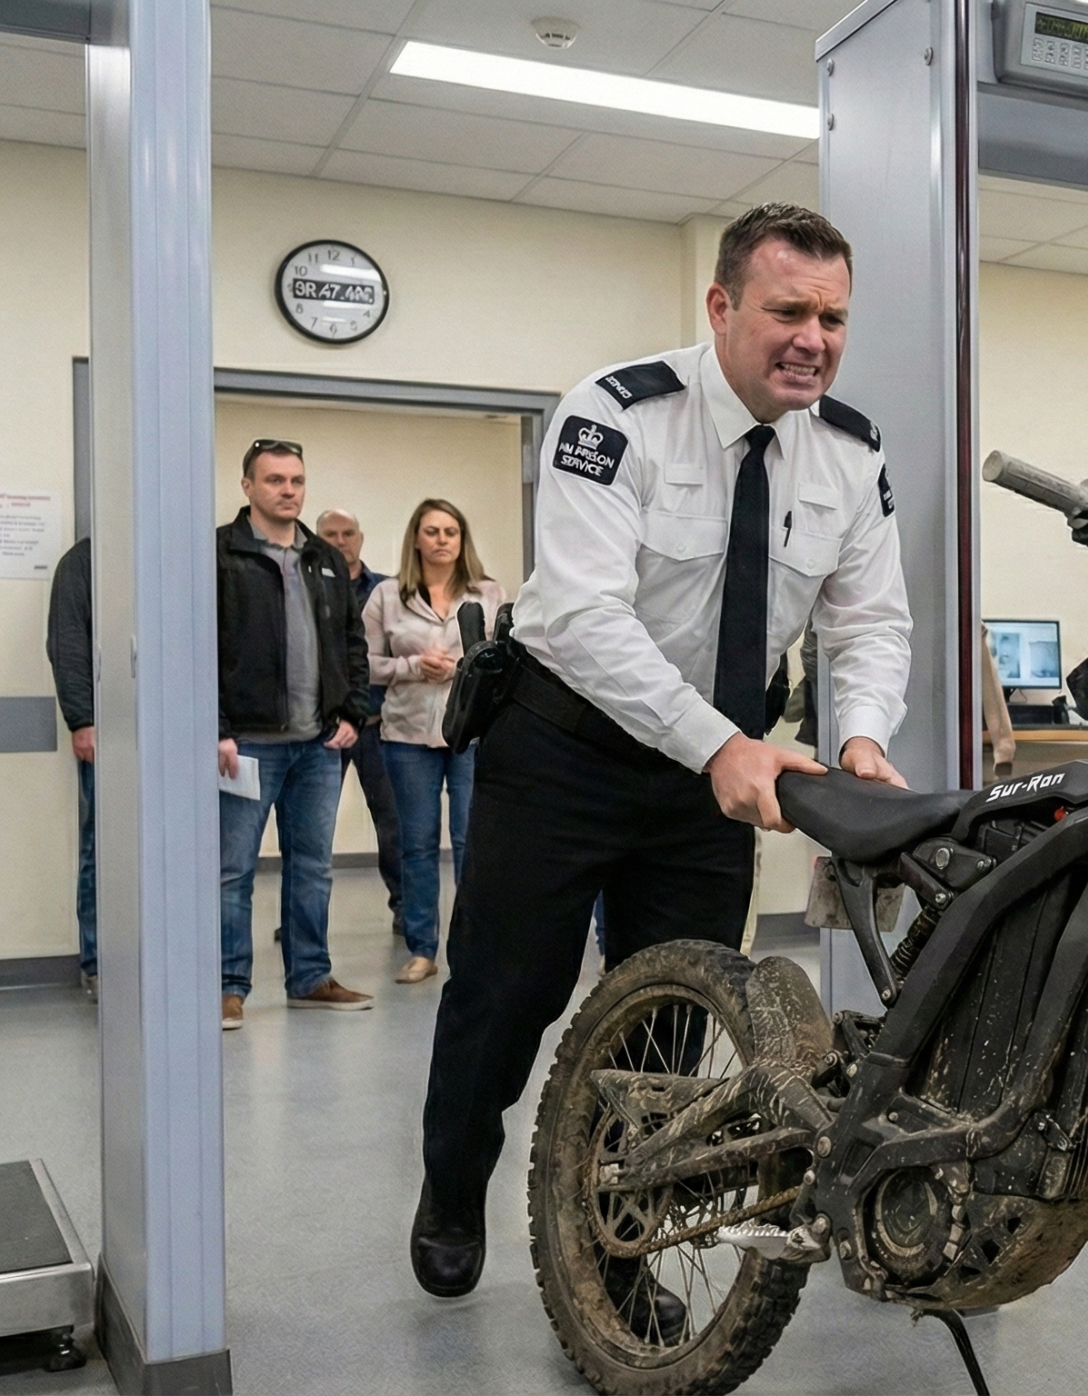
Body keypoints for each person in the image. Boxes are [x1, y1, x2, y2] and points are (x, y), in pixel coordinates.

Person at [410, 203, 912, 1307]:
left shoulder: (848, 450)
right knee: (505, 997)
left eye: (832, 319)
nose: (813, 340)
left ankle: (614, 1254)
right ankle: (453, 1183)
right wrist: (721, 742)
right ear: (721, 306)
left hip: (707, 782)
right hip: (563, 750)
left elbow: (870, 622)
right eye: (788, 311)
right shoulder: (616, 413)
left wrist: (862, 734)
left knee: (671, 1030)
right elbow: (585, 617)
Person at [216, 439, 374, 1028]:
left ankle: (309, 977)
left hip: (317, 746)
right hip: (246, 744)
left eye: (297, 480)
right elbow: (199, 647)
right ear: (248, 487)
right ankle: (227, 986)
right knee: (233, 870)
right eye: (275, 480)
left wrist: (352, 714)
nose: (288, 490)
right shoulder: (221, 554)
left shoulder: (323, 557)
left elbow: (352, 643)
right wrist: (218, 729)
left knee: (312, 867)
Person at [364, 499, 506, 986]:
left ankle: (473, 948)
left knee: (473, 841)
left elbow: (505, 658)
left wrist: (465, 668)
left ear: (462, 540)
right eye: (432, 531)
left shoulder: (488, 593)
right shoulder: (387, 595)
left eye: (451, 531)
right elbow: (364, 663)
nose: (442, 539)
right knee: (417, 845)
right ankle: (422, 949)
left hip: (470, 733)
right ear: (416, 539)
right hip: (406, 736)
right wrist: (411, 666)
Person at [317, 508, 403, 925]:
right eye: (330, 534)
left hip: (377, 724)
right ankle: (304, 917)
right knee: (312, 828)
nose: (340, 541)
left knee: (393, 823)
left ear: (361, 538)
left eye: (348, 533)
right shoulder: (307, 587)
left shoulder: (388, 591)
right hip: (323, 728)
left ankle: (406, 909)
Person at [44, 536, 95, 996]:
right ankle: (100, 962)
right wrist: (82, 721)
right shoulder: (81, 563)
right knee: (104, 847)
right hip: (108, 735)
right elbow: (69, 645)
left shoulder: (175, 556)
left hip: (177, 737)